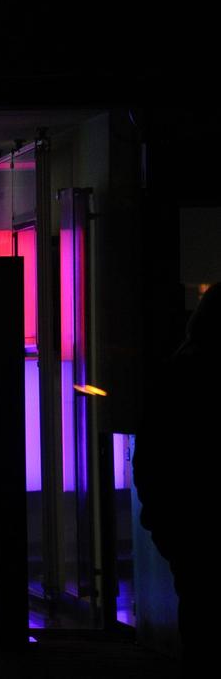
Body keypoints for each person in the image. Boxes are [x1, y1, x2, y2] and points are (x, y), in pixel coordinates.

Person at [135, 282, 220, 669]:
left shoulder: (175, 374)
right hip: (189, 519)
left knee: (199, 614)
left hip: (186, 521)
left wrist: (158, 515)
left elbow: (153, 454)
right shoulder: (186, 374)